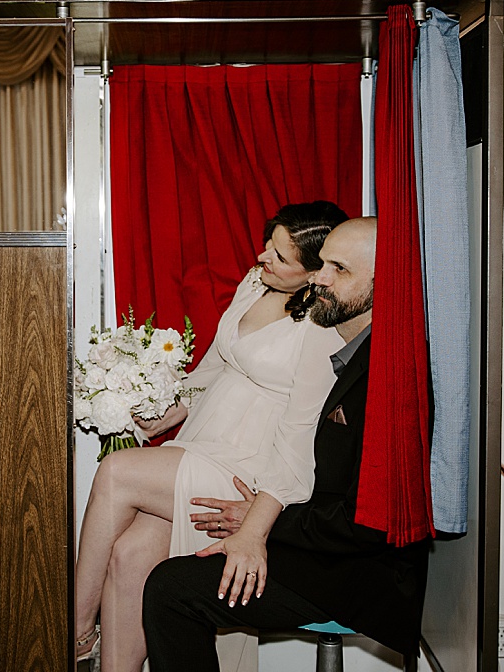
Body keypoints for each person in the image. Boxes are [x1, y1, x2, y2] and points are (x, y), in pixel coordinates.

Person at [141, 218, 431, 671]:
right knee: (153, 562)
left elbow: (371, 523)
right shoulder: (351, 353)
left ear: (386, 284)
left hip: (358, 574)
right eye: (323, 264)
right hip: (320, 540)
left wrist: (265, 524)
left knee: (171, 588)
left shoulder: (390, 379)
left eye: (340, 270)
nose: (319, 278)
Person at [74, 201, 349, 672]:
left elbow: (299, 434)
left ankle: (73, 630)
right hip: (204, 440)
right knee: (129, 554)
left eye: (280, 257)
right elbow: (217, 367)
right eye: (268, 244)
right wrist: (167, 414)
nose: (263, 257)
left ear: (314, 273)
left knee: (117, 472)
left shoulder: (323, 329)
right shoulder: (254, 282)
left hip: (249, 469)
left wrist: (260, 518)